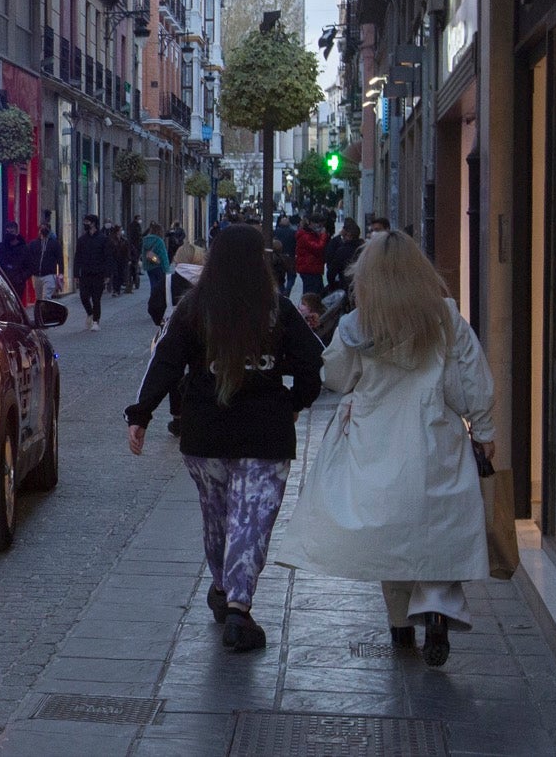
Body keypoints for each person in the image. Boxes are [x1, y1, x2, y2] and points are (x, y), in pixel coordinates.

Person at [275, 231, 496, 668]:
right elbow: (470, 377)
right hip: (434, 434)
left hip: (376, 438)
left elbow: (336, 375)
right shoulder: (445, 318)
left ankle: (399, 624)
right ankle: (436, 609)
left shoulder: (361, 324)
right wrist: (484, 428)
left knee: (391, 532)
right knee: (436, 529)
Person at [126, 224, 324, 650]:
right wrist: (294, 401)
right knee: (250, 519)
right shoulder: (278, 309)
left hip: (206, 431)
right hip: (264, 432)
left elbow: (165, 360)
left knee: (217, 517)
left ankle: (226, 591)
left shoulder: (194, 308)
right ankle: (236, 603)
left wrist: (140, 414)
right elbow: (313, 362)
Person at [161, 240, 206, 436]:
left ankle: (178, 416)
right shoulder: (209, 279)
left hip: (174, 334)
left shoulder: (170, 280)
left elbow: (154, 305)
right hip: (205, 335)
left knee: (174, 373)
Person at [73, 214, 108, 330]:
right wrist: (76, 273)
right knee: (83, 296)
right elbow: (77, 257)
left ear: (93, 223)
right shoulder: (82, 240)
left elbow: (107, 257)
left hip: (98, 274)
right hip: (85, 273)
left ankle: (95, 321)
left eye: (87, 222)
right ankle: (90, 312)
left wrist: (107, 274)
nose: (85, 224)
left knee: (96, 298)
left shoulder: (102, 239)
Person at [0, 220, 32, 303]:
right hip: (2, 282)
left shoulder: (24, 249)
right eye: (7, 232)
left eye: (11, 232)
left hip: (17, 285)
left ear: (16, 233)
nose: (8, 234)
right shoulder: (0, 247)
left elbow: (30, 268)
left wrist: (20, 278)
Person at [141, 221, 171, 327]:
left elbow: (143, 255)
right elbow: (163, 256)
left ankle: (152, 303)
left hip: (150, 267)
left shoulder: (145, 240)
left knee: (153, 285)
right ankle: (160, 306)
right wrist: (167, 270)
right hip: (159, 266)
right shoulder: (159, 241)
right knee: (161, 288)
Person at [27, 221, 64, 301]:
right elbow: (28, 257)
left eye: (45, 228)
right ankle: (39, 313)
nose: (43, 230)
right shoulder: (33, 244)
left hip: (49, 275)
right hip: (36, 275)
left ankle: (44, 313)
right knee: (38, 298)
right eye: (41, 228)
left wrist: (61, 273)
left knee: (46, 298)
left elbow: (60, 258)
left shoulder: (55, 244)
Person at [325, 219, 364, 293]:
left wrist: (332, 286)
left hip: (346, 286)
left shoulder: (343, 251)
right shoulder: (364, 249)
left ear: (349, 236)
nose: (342, 239)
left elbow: (332, 271)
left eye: (343, 236)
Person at [294, 215, 328, 297]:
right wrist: (323, 236)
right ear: (311, 223)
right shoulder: (306, 236)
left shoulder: (311, 234)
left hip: (312, 268)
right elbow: (318, 247)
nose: (320, 227)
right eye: (318, 224)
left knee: (316, 293)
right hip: (309, 268)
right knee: (311, 295)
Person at [272, 215, 299, 296]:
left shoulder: (275, 232)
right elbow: (296, 244)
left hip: (277, 256)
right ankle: (287, 290)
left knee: (279, 278)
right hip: (290, 256)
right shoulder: (293, 232)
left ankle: (282, 292)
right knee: (291, 276)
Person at [107, 225, 130, 297]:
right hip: (114, 259)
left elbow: (127, 250)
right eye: (120, 230)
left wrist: (128, 259)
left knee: (121, 274)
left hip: (122, 260)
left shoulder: (124, 240)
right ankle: (115, 290)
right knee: (115, 274)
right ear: (117, 231)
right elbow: (109, 250)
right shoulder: (111, 240)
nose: (122, 231)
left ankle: (118, 289)